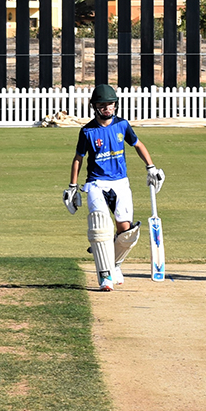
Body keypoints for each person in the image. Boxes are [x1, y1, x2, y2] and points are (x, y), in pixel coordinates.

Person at [63, 83, 164, 292]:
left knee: (125, 231)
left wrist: (151, 167)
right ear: (95, 106)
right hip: (96, 183)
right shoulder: (87, 131)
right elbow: (78, 158)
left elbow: (138, 144)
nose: (108, 108)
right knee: (101, 226)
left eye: (110, 104)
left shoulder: (122, 125)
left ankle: (115, 264)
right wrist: (73, 186)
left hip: (120, 182)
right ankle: (105, 277)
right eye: (103, 104)